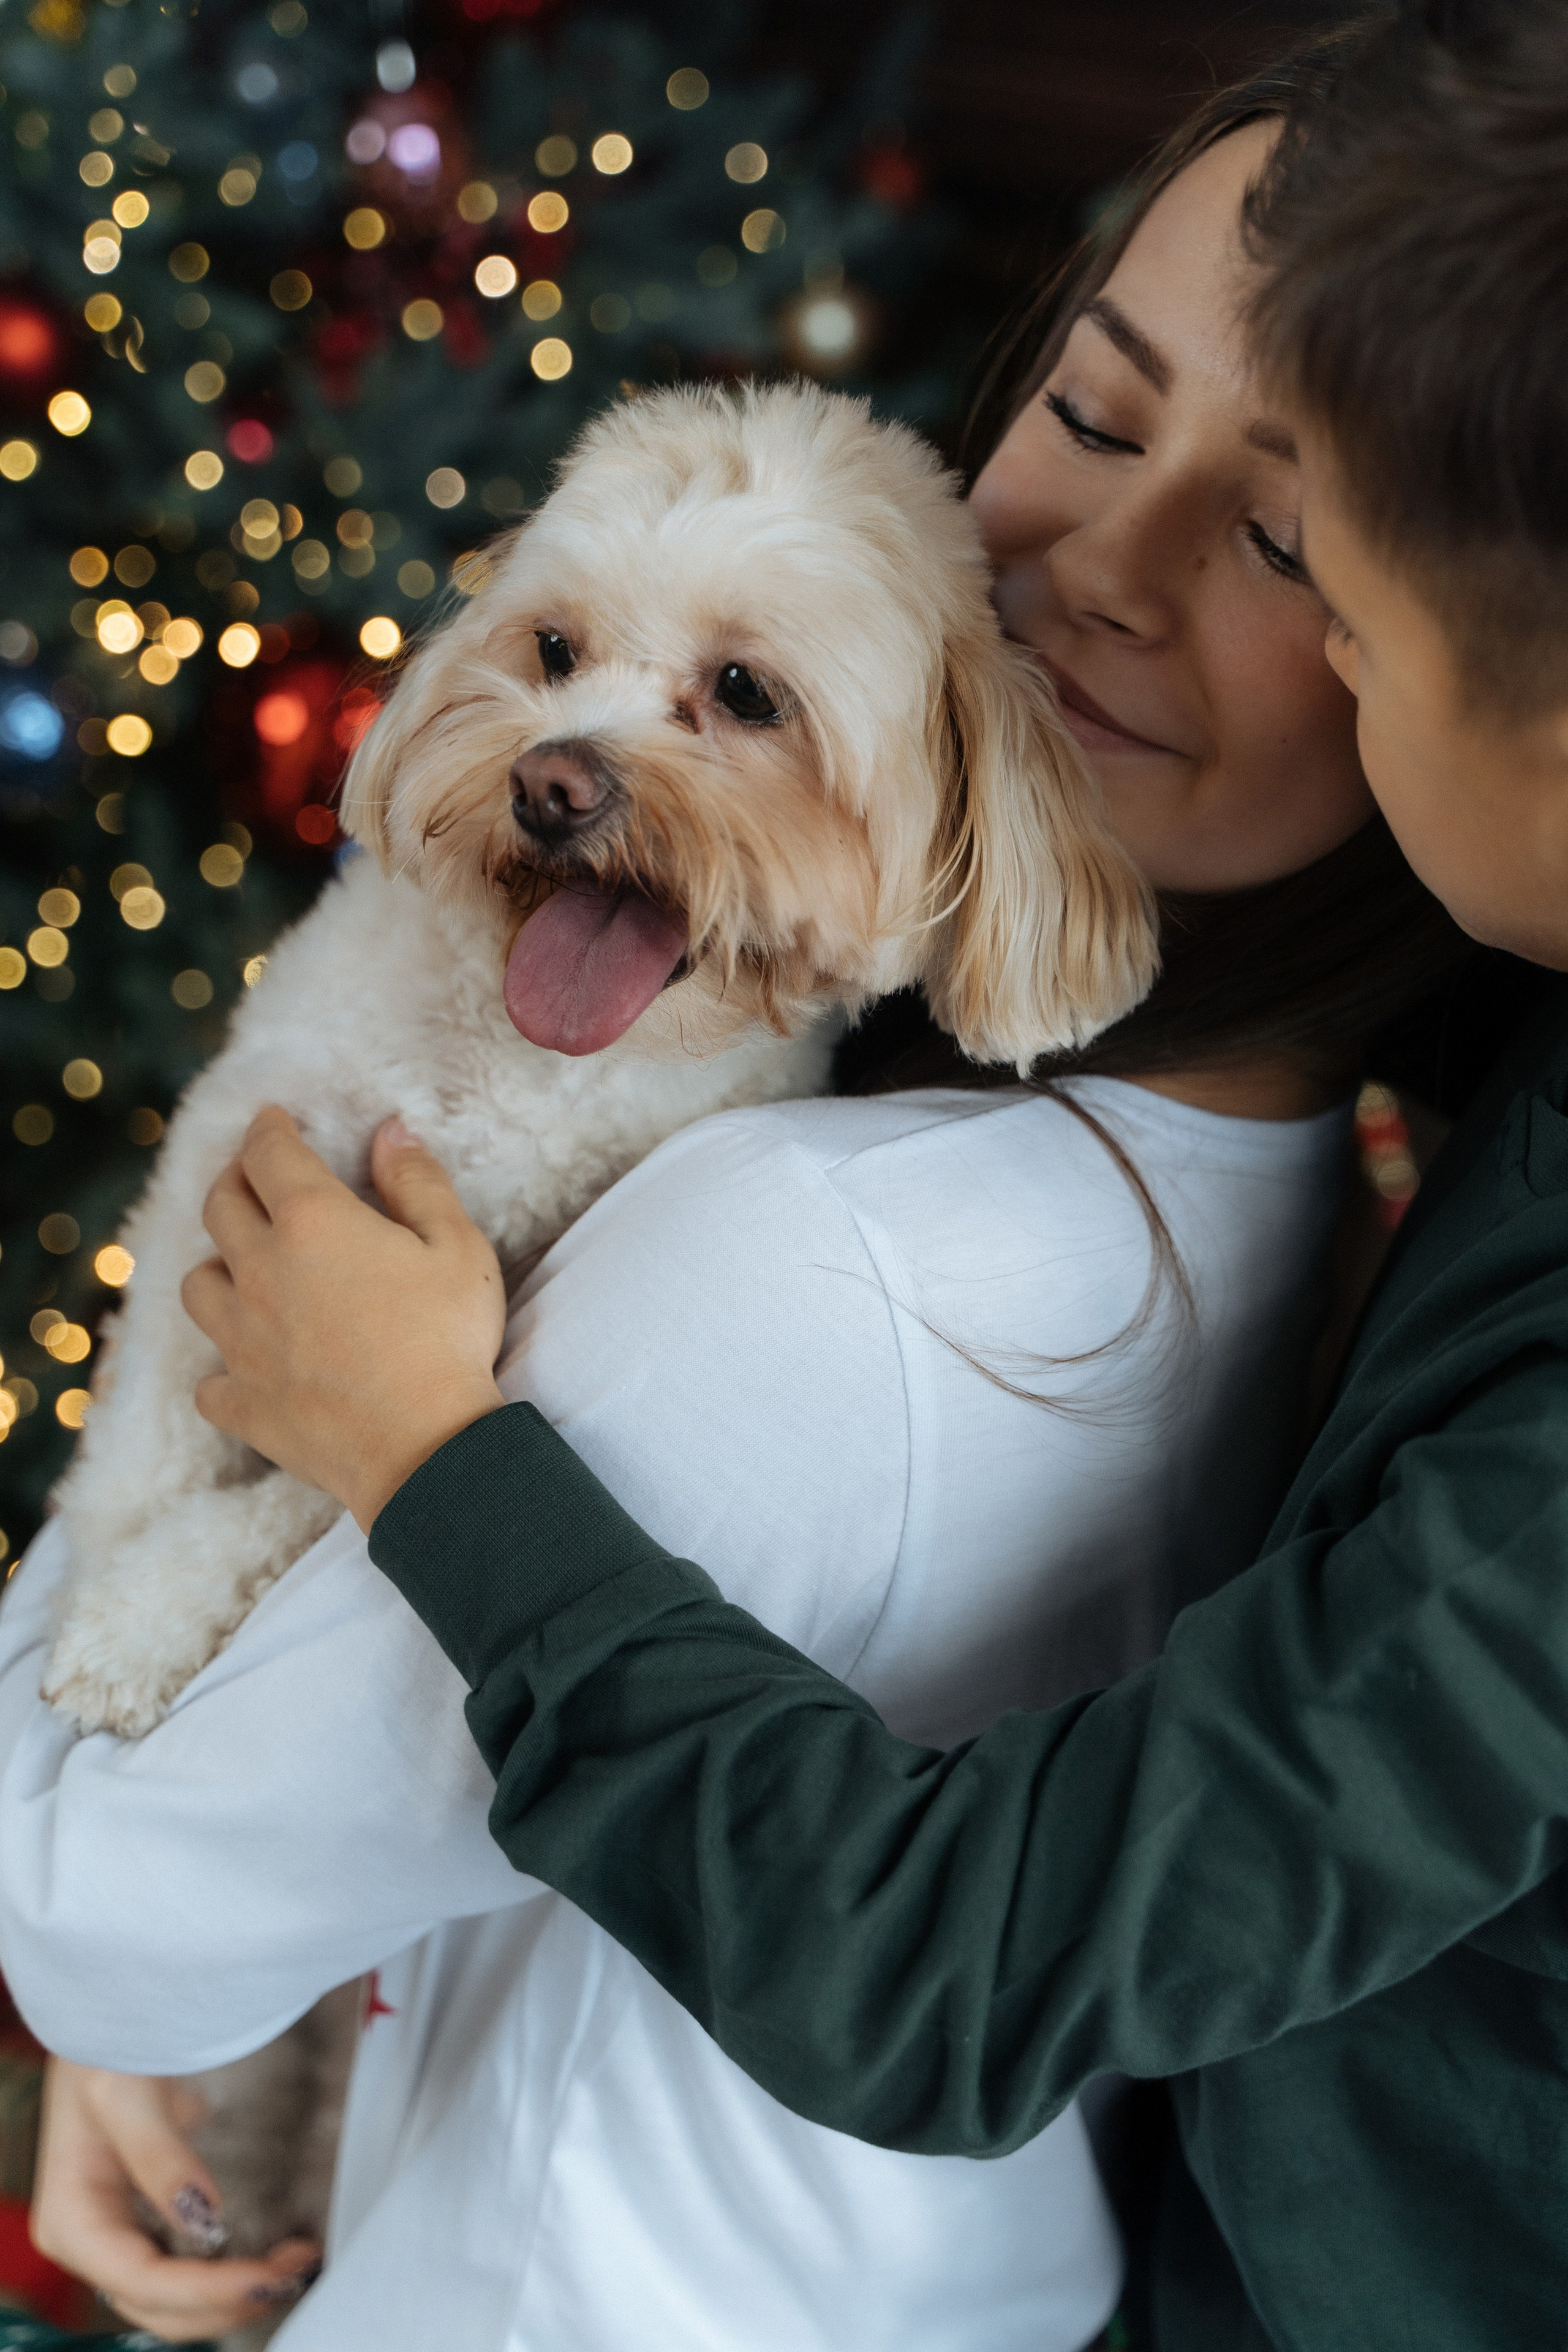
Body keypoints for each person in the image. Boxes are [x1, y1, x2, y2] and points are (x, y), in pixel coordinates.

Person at [0, 24, 1480, 2352]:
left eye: (1287, 539)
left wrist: (117, 1944)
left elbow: (105, 1908)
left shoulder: (798, 1261)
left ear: (1456, 657)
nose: (1095, 560)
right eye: (1090, 417)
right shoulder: (1301, 1195)